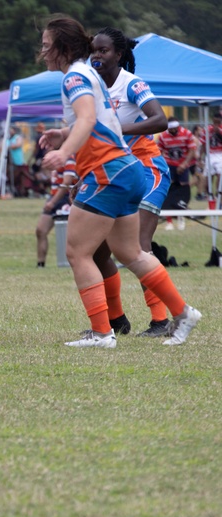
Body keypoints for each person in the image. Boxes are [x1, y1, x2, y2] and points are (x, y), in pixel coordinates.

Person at [38, 14, 200, 348]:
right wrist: (63, 133)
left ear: (62, 47)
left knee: (77, 252)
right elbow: (101, 120)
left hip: (107, 171)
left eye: (45, 46)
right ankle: (183, 313)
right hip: (128, 169)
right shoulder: (90, 75)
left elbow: (87, 118)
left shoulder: (74, 77)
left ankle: (102, 333)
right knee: (131, 252)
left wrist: (64, 150)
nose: (42, 53)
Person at [91, 26, 174, 337]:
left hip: (148, 170)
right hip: (119, 174)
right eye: (93, 51)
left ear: (119, 55)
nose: (96, 56)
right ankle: (117, 320)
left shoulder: (132, 84)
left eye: (103, 50)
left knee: (137, 246)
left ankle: (161, 320)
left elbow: (160, 119)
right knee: (98, 251)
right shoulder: (94, 87)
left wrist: (117, 129)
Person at [156, 116, 199, 229]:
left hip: (183, 166)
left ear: (178, 127)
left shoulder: (187, 134)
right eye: (170, 130)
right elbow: (158, 152)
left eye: (175, 129)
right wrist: (164, 165)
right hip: (169, 166)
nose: (173, 131)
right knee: (170, 192)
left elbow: (192, 150)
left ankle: (181, 218)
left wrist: (184, 164)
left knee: (182, 192)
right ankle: (169, 221)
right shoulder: (163, 136)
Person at [35, 155, 76, 267]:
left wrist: (53, 202)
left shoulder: (69, 157)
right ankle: (40, 264)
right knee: (40, 230)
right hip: (54, 196)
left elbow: (67, 182)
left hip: (65, 198)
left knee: (72, 235)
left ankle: (70, 262)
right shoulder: (56, 157)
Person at [206, 112, 222, 200]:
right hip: (210, 154)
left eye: (218, 123)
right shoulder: (207, 129)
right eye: (214, 122)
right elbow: (204, 143)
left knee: (220, 175)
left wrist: (219, 132)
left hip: (220, 154)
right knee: (208, 177)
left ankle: (218, 194)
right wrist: (201, 157)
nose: (216, 124)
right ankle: (210, 195)